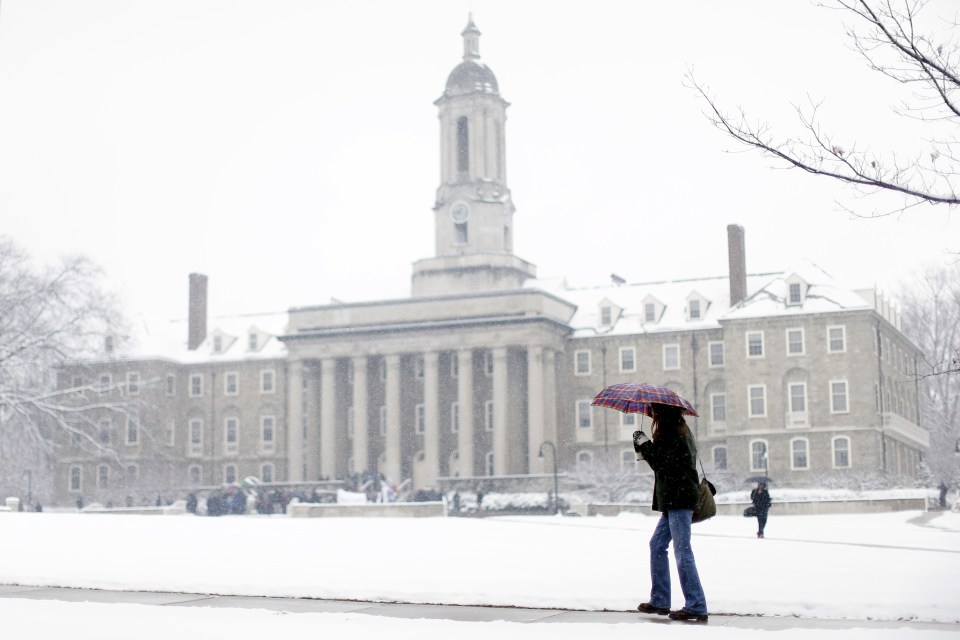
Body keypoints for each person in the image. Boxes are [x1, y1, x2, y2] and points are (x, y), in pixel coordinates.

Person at [633, 402, 708, 623]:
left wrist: (645, 445)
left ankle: (696, 605)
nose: (651, 415)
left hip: (679, 500)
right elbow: (665, 462)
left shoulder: (672, 434)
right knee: (657, 545)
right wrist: (646, 446)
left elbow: (662, 463)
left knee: (683, 551)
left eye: (654, 412)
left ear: (663, 414)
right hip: (675, 500)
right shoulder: (676, 432)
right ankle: (660, 600)